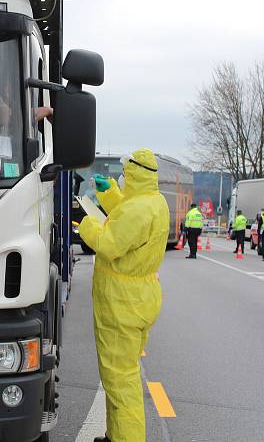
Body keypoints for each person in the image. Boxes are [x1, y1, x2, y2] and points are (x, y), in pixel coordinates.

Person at [77, 149, 170, 442]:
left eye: (124, 172)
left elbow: (109, 242)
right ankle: (115, 435)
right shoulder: (154, 202)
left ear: (133, 173)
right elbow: (128, 220)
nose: (121, 175)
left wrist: (87, 223)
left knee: (121, 382)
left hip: (122, 303)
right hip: (140, 298)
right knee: (120, 377)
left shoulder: (138, 209)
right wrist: (110, 195)